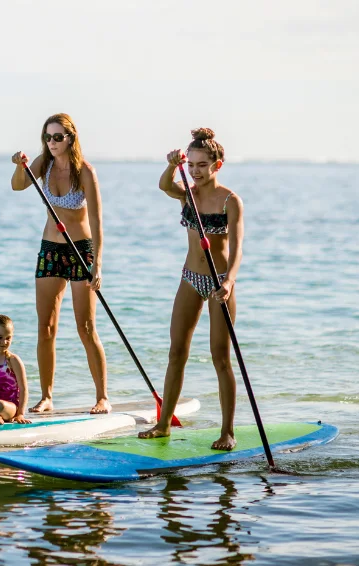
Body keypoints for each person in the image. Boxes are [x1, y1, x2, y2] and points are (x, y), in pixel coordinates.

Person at [138, 128, 244, 450]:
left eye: (202, 165)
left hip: (219, 282)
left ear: (217, 165)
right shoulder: (188, 193)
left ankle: (227, 432)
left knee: (220, 358)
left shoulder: (230, 200)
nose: (196, 171)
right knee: (176, 353)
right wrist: (173, 164)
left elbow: (238, 248)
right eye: (192, 165)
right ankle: (163, 425)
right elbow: (164, 185)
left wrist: (228, 282)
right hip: (190, 278)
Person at [10, 113, 110, 415]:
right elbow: (18, 186)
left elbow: (96, 221)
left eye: (57, 137)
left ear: (70, 138)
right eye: (47, 137)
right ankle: (47, 396)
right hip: (51, 250)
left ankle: (102, 396)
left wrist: (98, 265)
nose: (51, 142)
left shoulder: (86, 173)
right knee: (46, 327)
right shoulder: (43, 163)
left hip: (81, 252)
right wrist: (20, 166)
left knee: (86, 326)